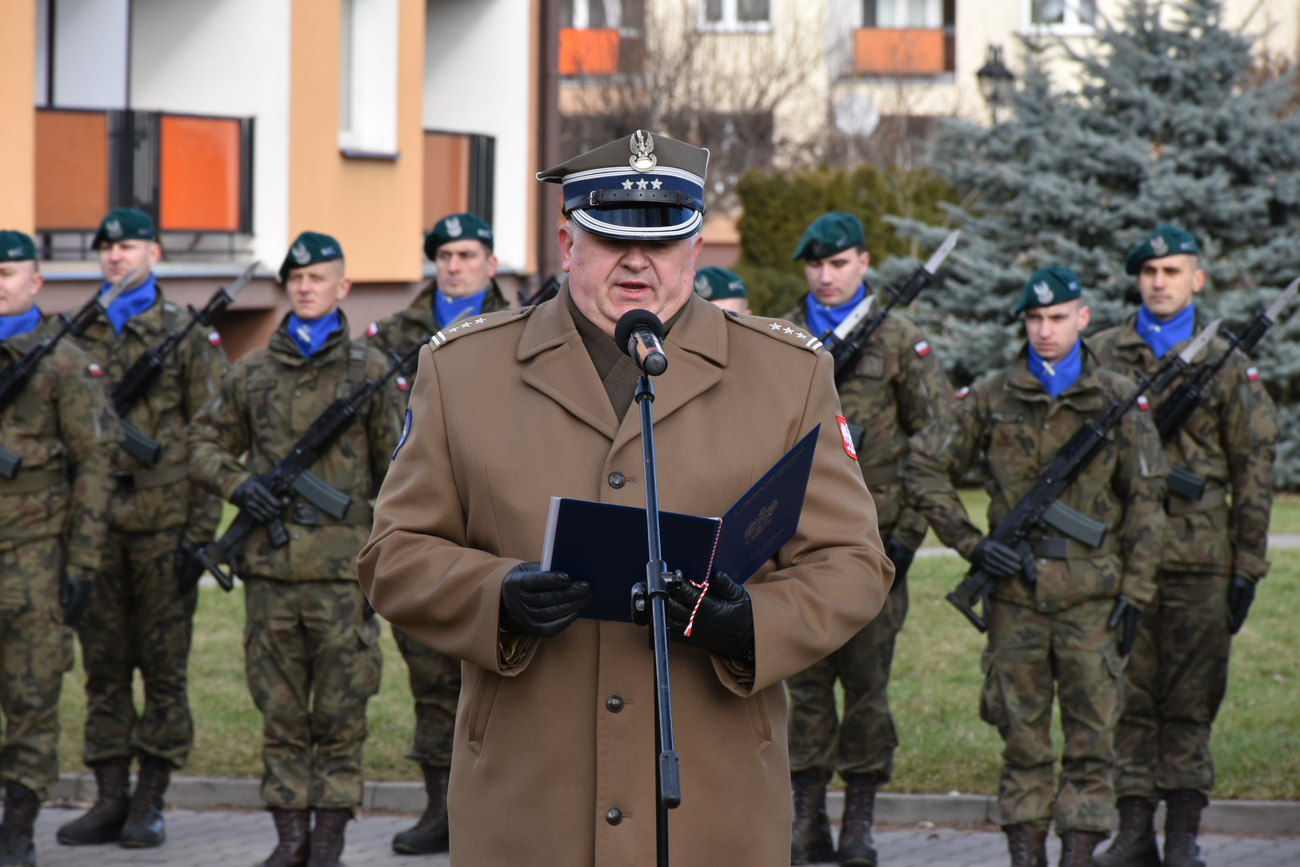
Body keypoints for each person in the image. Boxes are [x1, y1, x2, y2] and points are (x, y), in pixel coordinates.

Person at [356, 130, 892, 866]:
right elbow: (393, 553)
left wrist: (753, 625)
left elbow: (854, 561)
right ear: (567, 242)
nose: (637, 261)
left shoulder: (786, 375)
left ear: (697, 248)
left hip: (713, 799)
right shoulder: (463, 372)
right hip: (527, 801)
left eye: (664, 241)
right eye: (609, 238)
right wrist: (495, 595)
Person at [906, 267, 1169, 867]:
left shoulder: (1118, 397)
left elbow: (1149, 501)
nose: (1044, 331)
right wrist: (971, 544)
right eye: (1034, 319)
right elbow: (924, 465)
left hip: (1093, 600)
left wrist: (1137, 589)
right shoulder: (994, 394)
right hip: (1014, 599)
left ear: (1082, 318)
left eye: (1056, 318)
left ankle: (1076, 855)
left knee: (1090, 746)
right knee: (1022, 745)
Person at [188, 231, 400, 867]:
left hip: (343, 577)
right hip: (271, 574)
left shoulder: (370, 372)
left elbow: (399, 471)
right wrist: (240, 484)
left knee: (341, 712)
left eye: (318, 277)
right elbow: (200, 444)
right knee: (279, 713)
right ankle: (289, 841)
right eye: (296, 279)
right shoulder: (251, 371)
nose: (305, 287)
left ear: (344, 287)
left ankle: (329, 841)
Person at [1090, 225, 1277, 867]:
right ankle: (1135, 832)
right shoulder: (1103, 353)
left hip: (1202, 558)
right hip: (1121, 557)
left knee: (1192, 701)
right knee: (1128, 696)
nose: (1159, 282)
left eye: (1172, 271)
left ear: (1197, 278)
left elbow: (1254, 467)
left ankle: (1183, 839)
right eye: (1149, 272)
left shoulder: (1227, 362)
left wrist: (1248, 565)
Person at [781, 211, 951, 866]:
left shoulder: (902, 338)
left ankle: (860, 819)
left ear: (864, 262)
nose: (826, 276)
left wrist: (907, 537)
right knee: (805, 681)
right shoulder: (783, 338)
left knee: (867, 684)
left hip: (876, 541)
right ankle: (805, 818)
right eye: (816, 264)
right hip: (796, 541)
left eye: (840, 263)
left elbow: (933, 446)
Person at [58, 208, 229, 851]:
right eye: (105, 248)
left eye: (126, 246)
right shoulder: (73, 334)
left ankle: (150, 800)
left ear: (154, 253)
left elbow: (210, 437)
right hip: (95, 528)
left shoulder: (185, 335)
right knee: (102, 667)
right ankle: (109, 796)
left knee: (163, 667)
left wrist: (201, 533)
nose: (114, 257)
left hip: (163, 527)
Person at [362, 211, 509, 856]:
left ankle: (503, 802)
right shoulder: (393, 336)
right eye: (445, 255)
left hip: (503, 521)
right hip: (427, 521)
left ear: (491, 263)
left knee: (508, 674)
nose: (455, 265)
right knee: (430, 676)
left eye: (468, 254)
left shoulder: (529, 322)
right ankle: (438, 806)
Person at [0, 231, 119, 865]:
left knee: (30, 699)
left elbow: (95, 465)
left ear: (35, 282)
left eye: (9, 271)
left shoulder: (63, 363)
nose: (0, 282)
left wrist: (81, 564)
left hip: (33, 562)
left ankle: (17, 832)